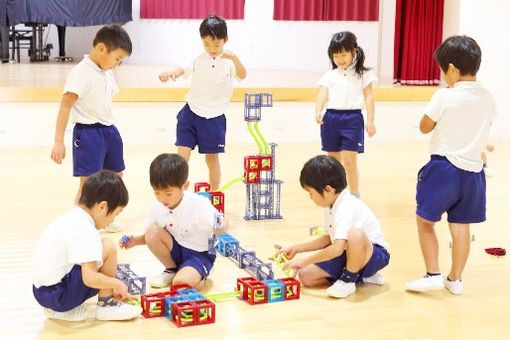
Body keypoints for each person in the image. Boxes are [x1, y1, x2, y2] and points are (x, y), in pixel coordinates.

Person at [405, 35, 496, 295]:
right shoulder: (489, 98)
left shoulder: (444, 96)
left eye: (444, 71)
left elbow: (424, 127)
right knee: (461, 228)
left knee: (425, 221)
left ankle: (432, 273)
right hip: (474, 173)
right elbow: (484, 130)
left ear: (453, 69)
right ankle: (455, 279)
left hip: (443, 168)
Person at [50, 24, 132, 232]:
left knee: (116, 177)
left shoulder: (106, 71)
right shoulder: (80, 72)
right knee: (88, 184)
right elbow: (65, 106)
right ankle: (78, 225)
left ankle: (105, 220)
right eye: (117, 59)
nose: (117, 65)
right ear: (102, 48)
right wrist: (58, 141)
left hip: (109, 129)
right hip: (88, 133)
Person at [32, 171, 142, 321]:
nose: (112, 221)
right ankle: (106, 306)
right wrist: (116, 283)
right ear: (102, 207)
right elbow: (90, 278)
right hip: (59, 295)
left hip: (40, 293)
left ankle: (58, 310)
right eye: (115, 214)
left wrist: (109, 284)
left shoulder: (70, 218)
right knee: (108, 246)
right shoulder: (86, 231)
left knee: (96, 254)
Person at [278, 155, 390, 298]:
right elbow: (326, 240)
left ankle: (348, 280)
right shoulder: (330, 205)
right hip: (351, 254)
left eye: (311, 193)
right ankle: (361, 276)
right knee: (306, 276)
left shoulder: (346, 206)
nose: (311, 198)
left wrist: (304, 261)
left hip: (375, 255)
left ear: (328, 189)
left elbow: (336, 249)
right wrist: (296, 248)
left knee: (355, 235)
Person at [159, 15, 247, 191]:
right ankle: (178, 192)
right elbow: (182, 69)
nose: (211, 49)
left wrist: (235, 58)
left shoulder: (229, 63)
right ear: (202, 41)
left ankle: (215, 195)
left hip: (214, 117)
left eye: (216, 44)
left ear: (225, 40)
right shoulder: (197, 57)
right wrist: (171, 73)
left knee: (212, 159)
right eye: (206, 44)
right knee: (182, 156)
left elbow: (242, 75)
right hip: (191, 112)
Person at [120, 153, 226, 289]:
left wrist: (220, 226)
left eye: (168, 193)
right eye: (157, 192)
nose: (162, 199)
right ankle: (171, 269)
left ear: (185, 186)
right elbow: (149, 236)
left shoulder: (199, 203)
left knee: (180, 283)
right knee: (152, 231)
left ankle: (199, 274)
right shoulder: (158, 206)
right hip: (175, 248)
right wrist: (135, 241)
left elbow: (221, 221)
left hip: (199, 255)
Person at [315, 31, 377, 198]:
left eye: (343, 54)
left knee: (350, 162)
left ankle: (355, 196)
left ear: (353, 52)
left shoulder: (364, 74)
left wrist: (370, 120)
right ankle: (336, 196)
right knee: (333, 164)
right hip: (331, 119)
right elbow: (322, 93)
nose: (340, 59)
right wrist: (318, 110)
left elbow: (369, 96)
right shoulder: (330, 75)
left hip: (353, 120)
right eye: (336, 56)